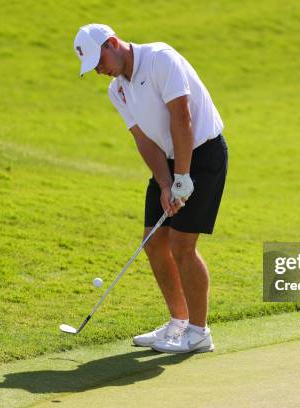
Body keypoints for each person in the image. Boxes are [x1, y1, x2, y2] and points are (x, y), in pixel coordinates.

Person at [73, 24, 228, 353]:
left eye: (99, 61)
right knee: (154, 242)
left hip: (203, 153)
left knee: (181, 245)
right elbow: (143, 139)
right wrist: (164, 183)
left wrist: (183, 177)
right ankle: (179, 322)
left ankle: (199, 334)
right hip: (169, 162)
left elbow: (181, 117)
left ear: (113, 43)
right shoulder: (117, 90)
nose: (99, 71)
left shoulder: (160, 59)